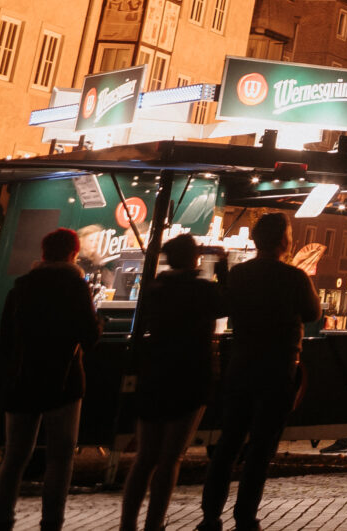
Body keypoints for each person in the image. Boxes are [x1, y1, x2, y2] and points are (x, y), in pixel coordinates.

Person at [201, 214, 322, 531]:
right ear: (284, 240)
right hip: (278, 369)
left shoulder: (241, 274)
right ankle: (245, 517)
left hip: (241, 366)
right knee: (260, 449)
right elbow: (312, 312)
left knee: (228, 444)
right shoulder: (294, 277)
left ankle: (210, 515)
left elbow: (224, 304)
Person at [0, 227, 98, 531]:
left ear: (43, 253)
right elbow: (89, 336)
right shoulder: (77, 287)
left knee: (14, 457)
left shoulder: (21, 287)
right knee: (60, 458)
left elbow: (6, 340)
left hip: (23, 381)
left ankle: (1, 521)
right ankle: (51, 522)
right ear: (73, 253)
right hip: (63, 382)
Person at [124, 232, 227, 531]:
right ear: (194, 258)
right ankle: (154, 524)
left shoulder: (155, 288)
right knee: (170, 459)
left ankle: (127, 523)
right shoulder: (202, 290)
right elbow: (227, 304)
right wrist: (222, 267)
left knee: (145, 458)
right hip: (190, 377)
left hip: (155, 376)